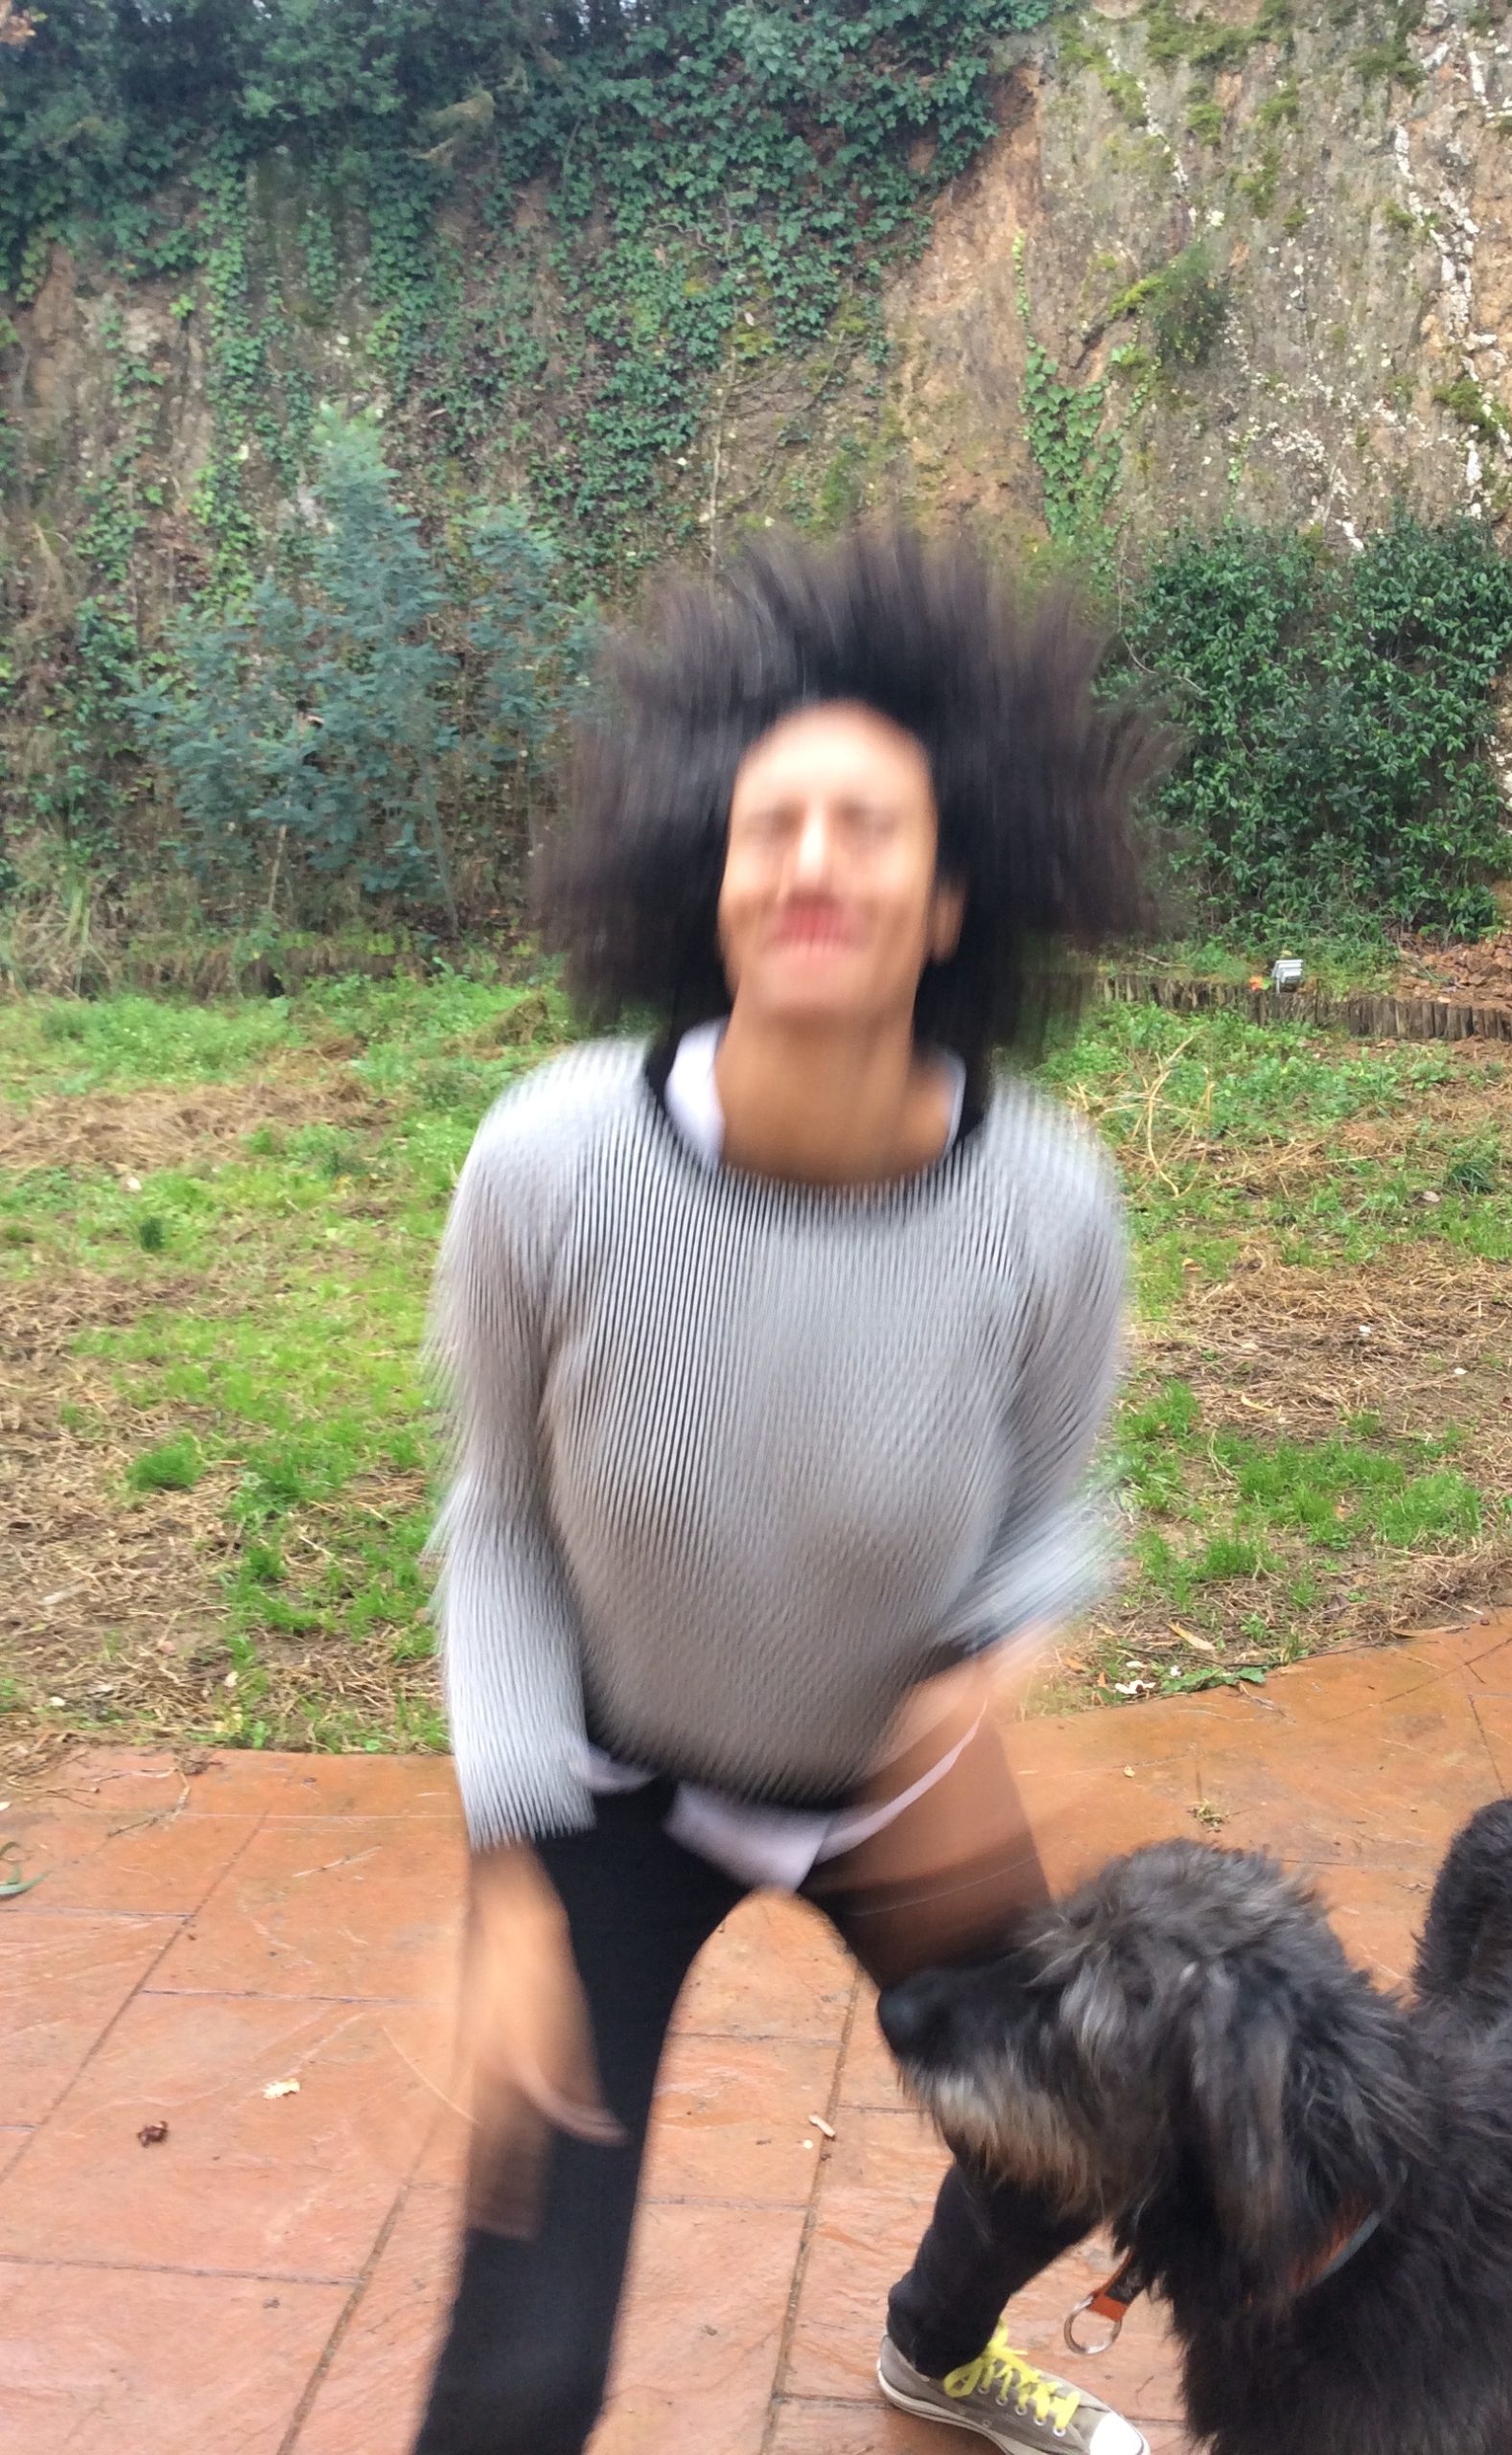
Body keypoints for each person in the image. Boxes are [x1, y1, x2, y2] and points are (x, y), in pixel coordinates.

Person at [413, 527, 1160, 2455]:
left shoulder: (1049, 1200)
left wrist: (983, 1664)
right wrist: (511, 1869)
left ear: (951, 898)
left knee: (1081, 2141)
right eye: (771, 825)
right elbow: (498, 1521)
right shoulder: (548, 1165)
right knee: (518, 2378)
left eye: (868, 825)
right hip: (607, 1794)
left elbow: (1055, 1509)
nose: (813, 859)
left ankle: (936, 2347)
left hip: (889, 1795)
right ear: (711, 877)